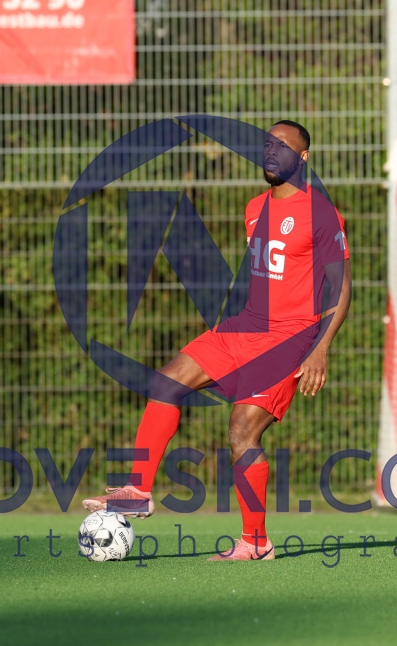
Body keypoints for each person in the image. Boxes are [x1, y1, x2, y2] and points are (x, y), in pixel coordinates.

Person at [83, 120, 351, 560]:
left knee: (242, 431)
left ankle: (256, 542)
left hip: (289, 338)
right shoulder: (254, 208)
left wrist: (320, 347)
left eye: (283, 146)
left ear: (303, 158)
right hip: (246, 326)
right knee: (165, 382)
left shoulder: (320, 212)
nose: (271, 151)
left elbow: (342, 287)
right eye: (268, 144)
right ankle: (138, 492)